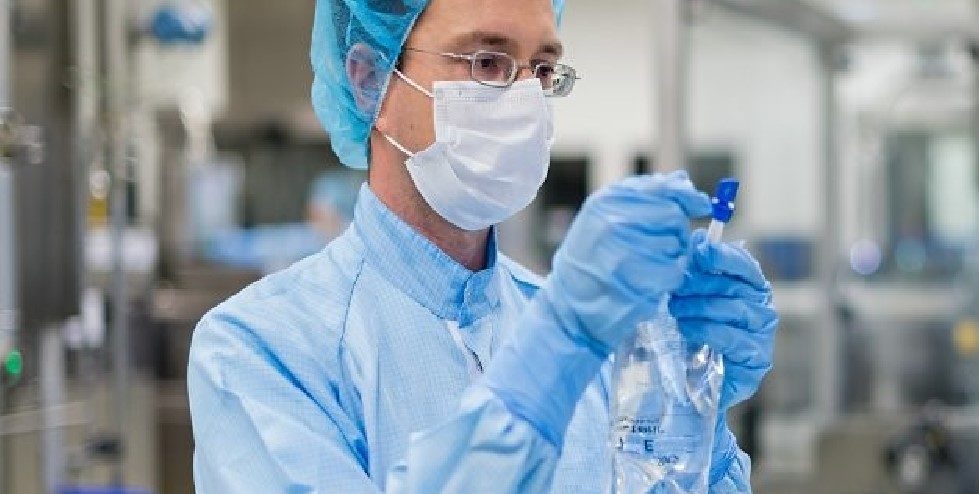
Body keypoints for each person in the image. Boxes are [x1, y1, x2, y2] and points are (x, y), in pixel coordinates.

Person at [187, 0, 779, 492]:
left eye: (542, 69)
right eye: (487, 62)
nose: (523, 99)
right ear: (369, 79)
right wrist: (552, 360)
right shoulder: (263, 350)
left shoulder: (589, 342)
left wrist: (687, 415)